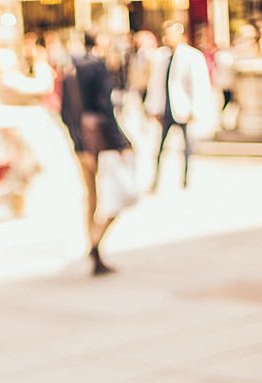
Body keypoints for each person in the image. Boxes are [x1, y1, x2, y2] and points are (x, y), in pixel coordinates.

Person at [60, 31, 132, 275]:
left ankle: (94, 245)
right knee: (119, 194)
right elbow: (104, 106)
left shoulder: (71, 68)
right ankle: (95, 242)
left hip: (82, 144)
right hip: (102, 143)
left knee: (92, 196)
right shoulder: (96, 67)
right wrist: (121, 142)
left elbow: (66, 111)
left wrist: (78, 140)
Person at [146, 21, 211, 192]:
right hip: (166, 108)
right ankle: (155, 181)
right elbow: (155, 84)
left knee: (187, 147)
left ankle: (185, 180)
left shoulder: (192, 56)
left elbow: (198, 84)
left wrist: (196, 108)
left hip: (183, 107)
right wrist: (153, 107)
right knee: (160, 147)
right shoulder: (161, 57)